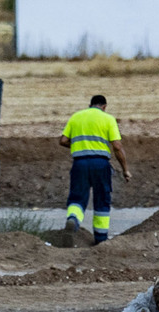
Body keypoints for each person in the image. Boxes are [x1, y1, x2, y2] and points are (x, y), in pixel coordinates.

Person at [59, 95, 131, 245]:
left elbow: (63, 140)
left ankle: (73, 219)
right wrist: (125, 170)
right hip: (100, 163)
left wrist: (79, 146)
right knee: (102, 200)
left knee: (77, 198)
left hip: (79, 164)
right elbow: (117, 147)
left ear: (90, 105)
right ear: (104, 106)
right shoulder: (108, 119)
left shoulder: (76, 117)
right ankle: (100, 240)